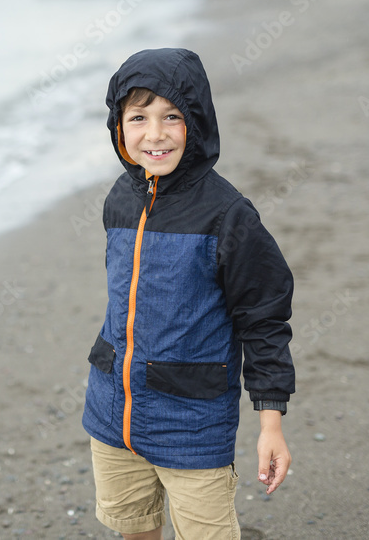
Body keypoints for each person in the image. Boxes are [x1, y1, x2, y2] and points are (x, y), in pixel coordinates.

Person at [81, 47, 295, 539]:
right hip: (112, 413)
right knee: (133, 526)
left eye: (172, 116)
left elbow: (264, 318)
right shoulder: (119, 199)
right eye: (138, 117)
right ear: (118, 126)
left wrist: (271, 424)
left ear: (196, 122)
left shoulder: (228, 215)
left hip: (192, 422)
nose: (154, 134)